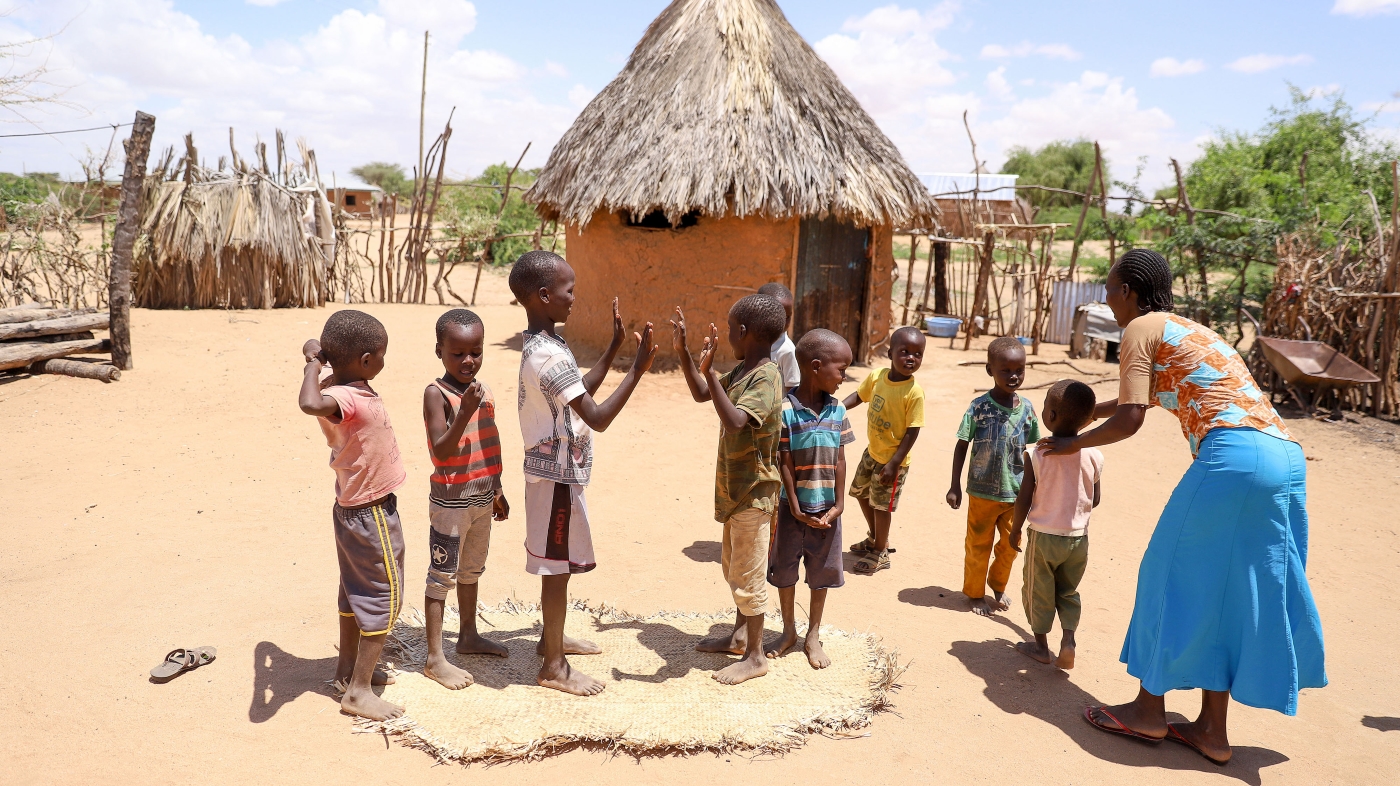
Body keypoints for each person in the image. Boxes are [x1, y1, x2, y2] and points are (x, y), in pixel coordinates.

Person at [1047, 248, 1325, 766]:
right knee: (1229, 591)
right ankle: (1211, 731)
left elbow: (1130, 419)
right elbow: (1140, 398)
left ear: (1129, 290)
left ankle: (1149, 712)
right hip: (1285, 459)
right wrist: (1083, 421)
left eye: (1109, 288)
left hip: (1233, 458)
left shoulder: (1139, 329)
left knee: (1167, 575)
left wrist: (1071, 444)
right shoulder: (1188, 330)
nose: (1106, 297)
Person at [509, 250, 658, 696]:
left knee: (562, 565)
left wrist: (612, 349)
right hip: (555, 478)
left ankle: (550, 639)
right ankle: (553, 666)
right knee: (556, 568)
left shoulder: (545, 345)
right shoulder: (547, 357)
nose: (574, 297)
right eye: (567, 290)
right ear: (542, 295)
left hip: (557, 473)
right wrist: (636, 369)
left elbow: (576, 392)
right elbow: (595, 416)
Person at [670, 294, 787, 685]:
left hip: (755, 492)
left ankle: (755, 656)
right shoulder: (745, 370)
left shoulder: (767, 376)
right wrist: (687, 356)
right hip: (737, 490)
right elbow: (703, 395)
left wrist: (712, 374)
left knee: (749, 574)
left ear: (743, 332)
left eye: (730, 327)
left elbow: (736, 421)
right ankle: (739, 637)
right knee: (735, 567)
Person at [298, 310, 407, 721]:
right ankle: (359, 692)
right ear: (364, 359)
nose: (384, 362)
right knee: (384, 596)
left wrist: (317, 356)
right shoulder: (342, 397)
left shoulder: (342, 386)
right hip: (371, 512)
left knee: (353, 591)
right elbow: (309, 402)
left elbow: (319, 360)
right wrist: (314, 360)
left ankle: (348, 672)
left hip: (353, 509)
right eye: (380, 355)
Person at [420, 309, 511, 690]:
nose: (468, 361)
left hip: (481, 497)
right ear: (439, 350)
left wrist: (498, 487)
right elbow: (441, 452)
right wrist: (464, 412)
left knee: (472, 571)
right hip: (450, 504)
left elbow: (489, 441)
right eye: (457, 354)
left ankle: (469, 635)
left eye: (475, 351)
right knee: (442, 576)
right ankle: (434, 657)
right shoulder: (436, 394)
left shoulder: (483, 390)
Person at [766, 329, 855, 670]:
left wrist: (839, 504)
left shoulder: (837, 411)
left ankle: (812, 634)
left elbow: (841, 459)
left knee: (822, 574)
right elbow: (784, 459)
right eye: (841, 369)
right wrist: (794, 503)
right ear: (816, 367)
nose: (844, 377)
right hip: (792, 511)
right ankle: (788, 630)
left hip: (828, 512)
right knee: (785, 571)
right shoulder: (785, 409)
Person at [1008, 379, 1103, 670]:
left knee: (1038, 589)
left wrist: (1014, 530)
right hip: (1078, 538)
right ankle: (1069, 640)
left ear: (1049, 416)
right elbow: (1095, 499)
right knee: (1068, 590)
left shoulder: (1038, 453)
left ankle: (1040, 646)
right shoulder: (1095, 454)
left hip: (1044, 536)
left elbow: (1024, 499)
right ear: (1088, 419)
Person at [947, 336, 1040, 616]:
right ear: (990, 370)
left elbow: (1035, 452)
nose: (1013, 376)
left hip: (1016, 493)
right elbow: (962, 444)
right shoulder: (979, 407)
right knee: (978, 545)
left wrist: (1037, 488)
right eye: (1005, 370)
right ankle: (975, 594)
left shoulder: (1028, 411)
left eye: (1019, 370)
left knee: (1012, 546)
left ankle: (998, 585)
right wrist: (954, 485)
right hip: (982, 492)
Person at [845, 326, 926, 575]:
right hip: (872, 452)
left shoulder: (914, 393)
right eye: (904, 352)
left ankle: (879, 552)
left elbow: (913, 431)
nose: (911, 358)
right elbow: (859, 396)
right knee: (859, 492)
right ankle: (876, 538)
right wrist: (836, 409)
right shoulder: (878, 376)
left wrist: (894, 463)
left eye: (917, 354)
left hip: (893, 461)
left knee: (882, 506)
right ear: (890, 353)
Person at [757, 282, 800, 391]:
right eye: (776, 316)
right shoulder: (754, 342)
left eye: (787, 317)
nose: (782, 322)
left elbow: (792, 389)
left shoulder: (787, 351)